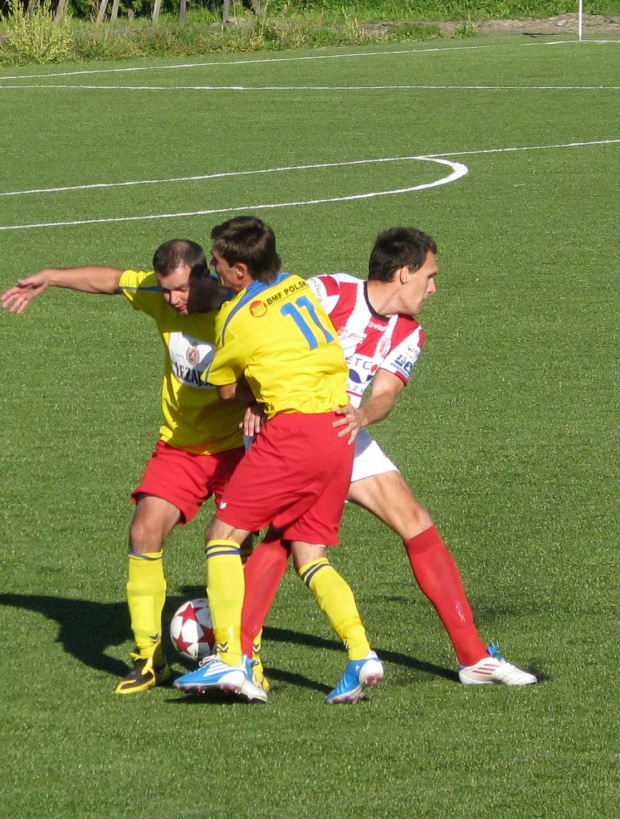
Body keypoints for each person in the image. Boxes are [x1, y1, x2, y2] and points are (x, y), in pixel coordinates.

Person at [238, 227, 537, 687]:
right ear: (404, 272)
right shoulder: (328, 292)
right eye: (430, 276)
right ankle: (237, 654)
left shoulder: (408, 333)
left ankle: (474, 658)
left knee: (415, 519)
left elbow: (387, 394)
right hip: (290, 429)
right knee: (284, 537)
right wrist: (256, 397)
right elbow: (261, 334)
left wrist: (363, 414)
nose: (434, 288)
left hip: (344, 429)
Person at [1, 240, 250, 695]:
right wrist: (51, 276)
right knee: (143, 533)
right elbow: (113, 280)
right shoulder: (160, 298)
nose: (171, 299)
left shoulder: (241, 310)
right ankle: (148, 656)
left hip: (241, 449)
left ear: (204, 275)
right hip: (182, 447)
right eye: (165, 289)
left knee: (239, 550)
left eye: (178, 290)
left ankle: (241, 654)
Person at [173, 215, 384, 704]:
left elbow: (227, 389)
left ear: (241, 270)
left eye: (219, 266)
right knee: (309, 554)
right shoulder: (297, 287)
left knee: (222, 537)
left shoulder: (234, 319)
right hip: (337, 433)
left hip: (293, 433)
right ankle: (360, 654)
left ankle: (228, 658)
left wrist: (242, 384)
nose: (214, 274)